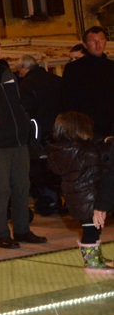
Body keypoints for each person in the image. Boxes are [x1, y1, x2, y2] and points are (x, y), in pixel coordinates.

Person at [0, 34, 47, 250]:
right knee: (0, 189)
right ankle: (1, 234)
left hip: (17, 140)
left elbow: (17, 104)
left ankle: (23, 230)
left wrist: (25, 131)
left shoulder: (7, 73)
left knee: (22, 186)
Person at [46, 112, 114, 274]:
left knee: (90, 228)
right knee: (92, 229)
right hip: (91, 197)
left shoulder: (60, 151)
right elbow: (103, 164)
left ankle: (95, 257)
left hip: (76, 197)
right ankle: (91, 262)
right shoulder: (87, 151)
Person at [61, 26, 114, 139]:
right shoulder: (74, 69)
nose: (98, 44)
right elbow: (68, 99)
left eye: (101, 40)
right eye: (93, 41)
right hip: (87, 127)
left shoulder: (111, 67)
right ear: (85, 45)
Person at [14, 54, 61, 144]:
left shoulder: (26, 84)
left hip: (40, 127)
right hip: (59, 124)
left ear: (24, 68)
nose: (19, 75)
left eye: (19, 71)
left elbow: (26, 107)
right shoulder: (56, 79)